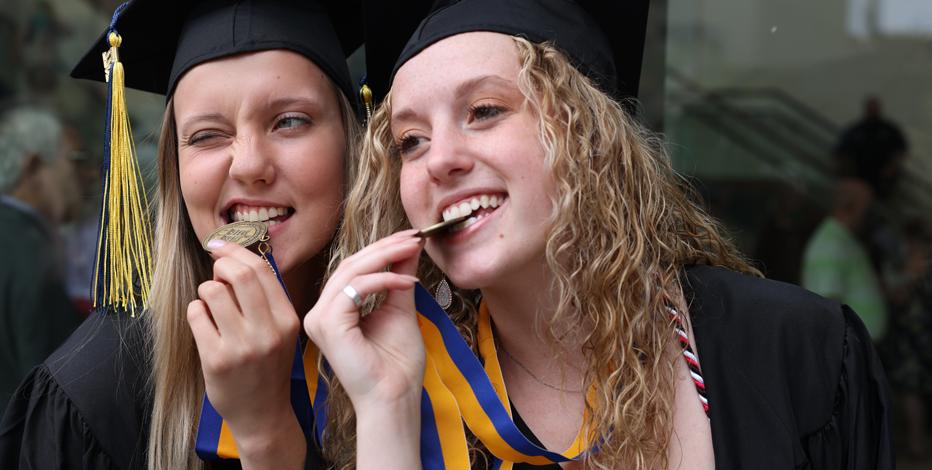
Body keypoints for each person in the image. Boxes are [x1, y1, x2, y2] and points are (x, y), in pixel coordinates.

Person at [296, 0, 893, 469]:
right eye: (410, 141)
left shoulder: (793, 353)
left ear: (589, 135)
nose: (439, 160)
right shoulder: (415, 390)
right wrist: (385, 408)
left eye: (484, 111)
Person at [0, 0, 363, 468]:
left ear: (353, 141)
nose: (250, 164)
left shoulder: (432, 336)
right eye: (208, 135)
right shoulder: (97, 393)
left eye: (290, 121)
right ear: (175, 170)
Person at [0, 105, 82, 412]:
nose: (83, 176)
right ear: (34, 166)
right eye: (73, 161)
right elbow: (49, 390)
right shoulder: (34, 251)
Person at [801, 178, 888, 340]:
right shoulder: (830, 244)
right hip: (849, 351)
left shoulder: (844, 239)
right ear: (850, 207)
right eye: (867, 210)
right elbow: (827, 306)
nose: (869, 217)